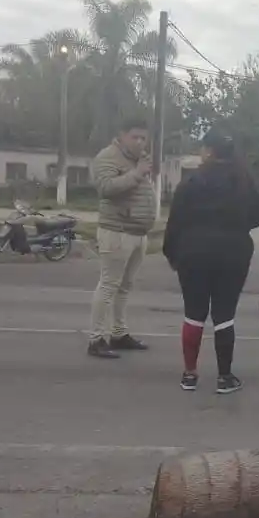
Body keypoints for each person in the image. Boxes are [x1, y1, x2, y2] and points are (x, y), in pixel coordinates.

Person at [163, 130, 259, 394]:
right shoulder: (244, 181)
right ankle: (225, 377)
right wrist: (239, 226)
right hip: (233, 252)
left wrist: (172, 254)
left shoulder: (191, 182)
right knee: (224, 315)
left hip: (193, 252)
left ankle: (190, 374)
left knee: (193, 314)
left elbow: (175, 221)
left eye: (203, 148)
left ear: (210, 151)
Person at [88, 118, 155, 359]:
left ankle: (118, 333)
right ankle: (96, 338)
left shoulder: (140, 159)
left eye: (143, 138)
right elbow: (106, 188)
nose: (140, 142)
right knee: (109, 285)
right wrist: (137, 174)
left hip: (138, 232)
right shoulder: (108, 156)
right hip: (117, 231)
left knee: (125, 287)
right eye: (135, 137)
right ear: (122, 135)